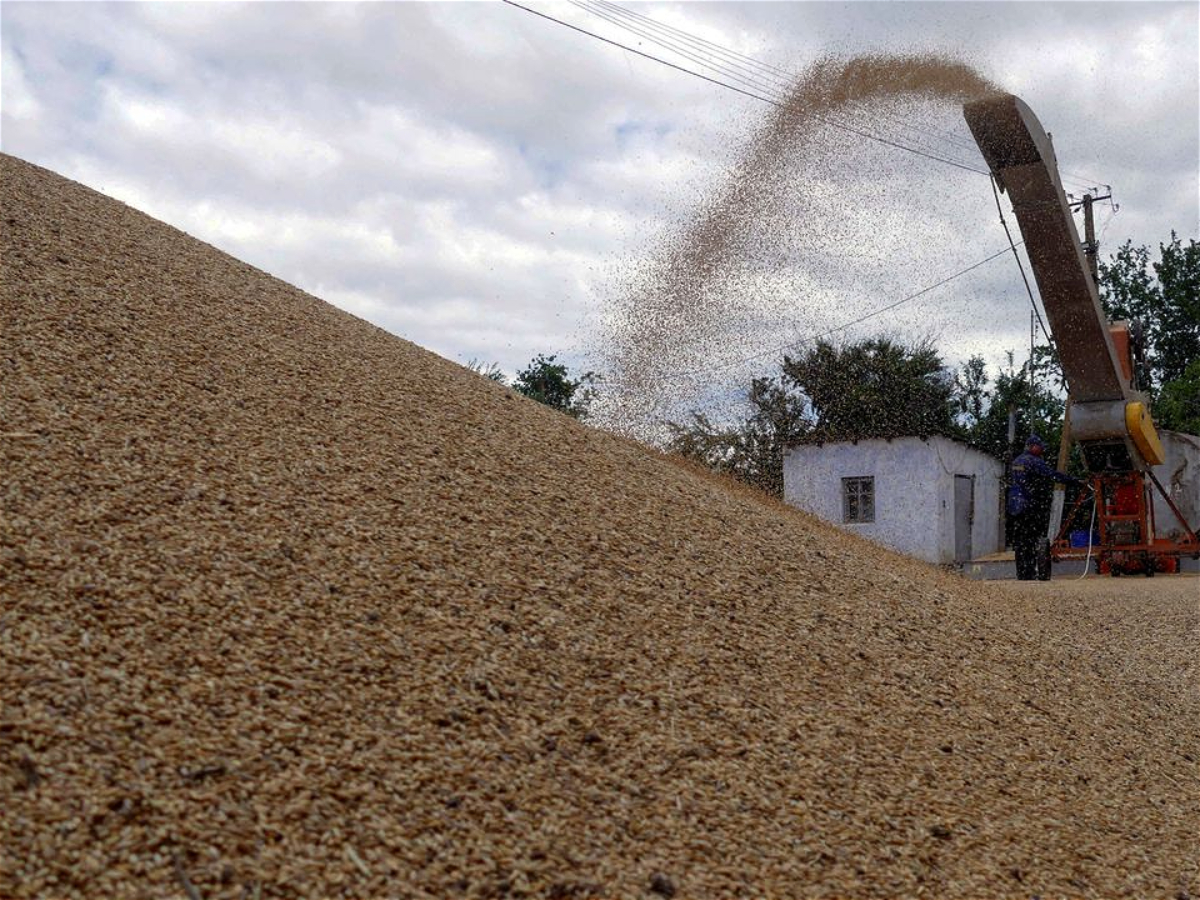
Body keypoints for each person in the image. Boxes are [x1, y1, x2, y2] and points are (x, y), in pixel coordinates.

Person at [1007, 434, 1082, 581]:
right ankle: (1029, 572)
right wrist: (1073, 481)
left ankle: (1022, 573)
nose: (1042, 450)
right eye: (1040, 447)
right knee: (1030, 539)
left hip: (1015, 506)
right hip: (1029, 505)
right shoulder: (1034, 462)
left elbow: (1015, 482)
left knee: (1020, 541)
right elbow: (1052, 475)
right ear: (1033, 446)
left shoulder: (1017, 461)